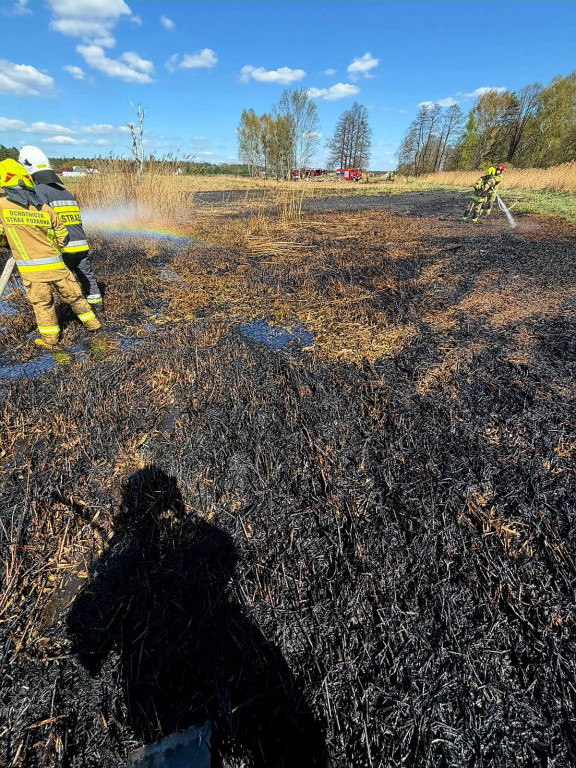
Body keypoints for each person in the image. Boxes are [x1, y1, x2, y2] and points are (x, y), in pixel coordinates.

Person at [0, 159, 101, 348]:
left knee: (43, 305)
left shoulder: (2, 206)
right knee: (75, 297)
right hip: (58, 266)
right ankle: (93, 324)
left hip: (33, 271)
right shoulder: (45, 208)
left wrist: (11, 242)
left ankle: (50, 339)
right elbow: (63, 236)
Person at [18, 145, 103, 312]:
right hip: (81, 244)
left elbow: (41, 220)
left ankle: (73, 312)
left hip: (63, 246)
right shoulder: (66, 192)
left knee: (63, 283)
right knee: (87, 278)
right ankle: (97, 307)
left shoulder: (39, 191)